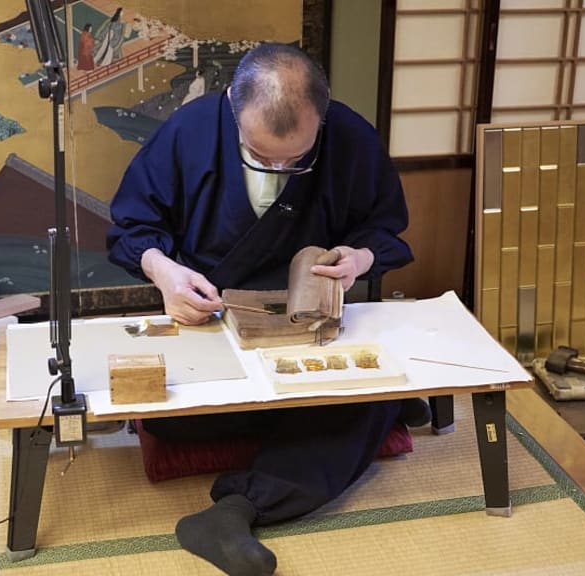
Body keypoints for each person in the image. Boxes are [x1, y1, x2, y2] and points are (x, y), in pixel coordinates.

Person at [107, 43, 430, 576]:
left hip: (311, 334)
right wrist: (165, 273)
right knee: (170, 421)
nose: (280, 168)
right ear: (233, 103)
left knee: (367, 399)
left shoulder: (348, 136)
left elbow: (385, 226)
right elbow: (130, 229)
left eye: (295, 160)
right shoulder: (189, 132)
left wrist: (361, 258)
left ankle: (238, 509)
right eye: (260, 156)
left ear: (321, 118)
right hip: (211, 324)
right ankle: (351, 423)